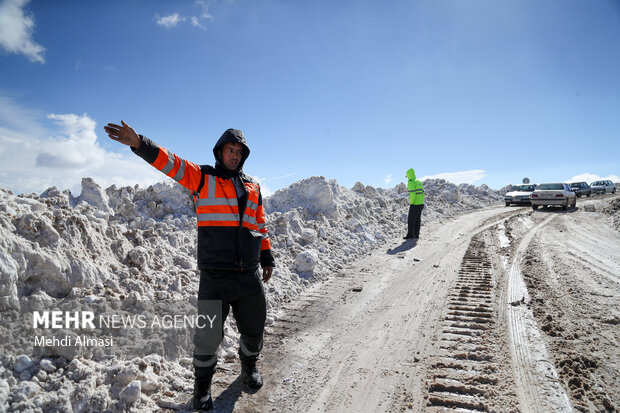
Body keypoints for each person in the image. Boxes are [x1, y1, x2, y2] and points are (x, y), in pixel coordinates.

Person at [104, 121, 275, 411]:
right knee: (207, 337)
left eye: (239, 152)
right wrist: (140, 144)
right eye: (229, 150)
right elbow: (172, 163)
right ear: (220, 152)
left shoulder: (253, 187)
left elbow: (259, 223)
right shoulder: (202, 178)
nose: (234, 155)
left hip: (248, 274)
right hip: (215, 276)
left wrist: (266, 256)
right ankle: (202, 389)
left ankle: (248, 368)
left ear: (243, 157)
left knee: (254, 328)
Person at [404, 168, 425, 240]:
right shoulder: (418, 181)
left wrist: (411, 203)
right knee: (417, 219)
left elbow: (412, 194)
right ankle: (416, 234)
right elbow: (423, 193)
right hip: (421, 203)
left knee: (411, 219)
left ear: (409, 175)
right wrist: (421, 201)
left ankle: (410, 235)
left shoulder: (411, 182)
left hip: (415, 204)